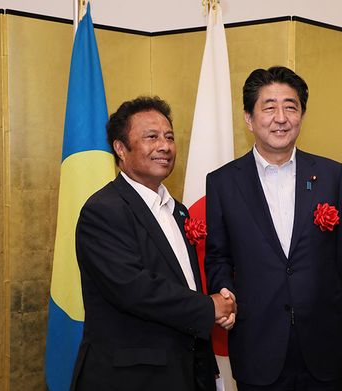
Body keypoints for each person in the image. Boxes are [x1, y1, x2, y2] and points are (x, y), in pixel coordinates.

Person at [204, 66, 342, 390]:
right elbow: (218, 257)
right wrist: (224, 289)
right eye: (268, 107)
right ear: (249, 118)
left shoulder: (331, 175)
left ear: (302, 114)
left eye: (290, 106)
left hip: (327, 345)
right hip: (258, 344)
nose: (280, 117)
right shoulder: (223, 182)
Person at [70, 96, 236, 391]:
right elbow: (134, 288)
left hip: (185, 372)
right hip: (131, 378)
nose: (165, 146)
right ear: (120, 149)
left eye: (169, 137)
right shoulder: (103, 210)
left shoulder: (178, 210)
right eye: (152, 137)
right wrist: (207, 308)